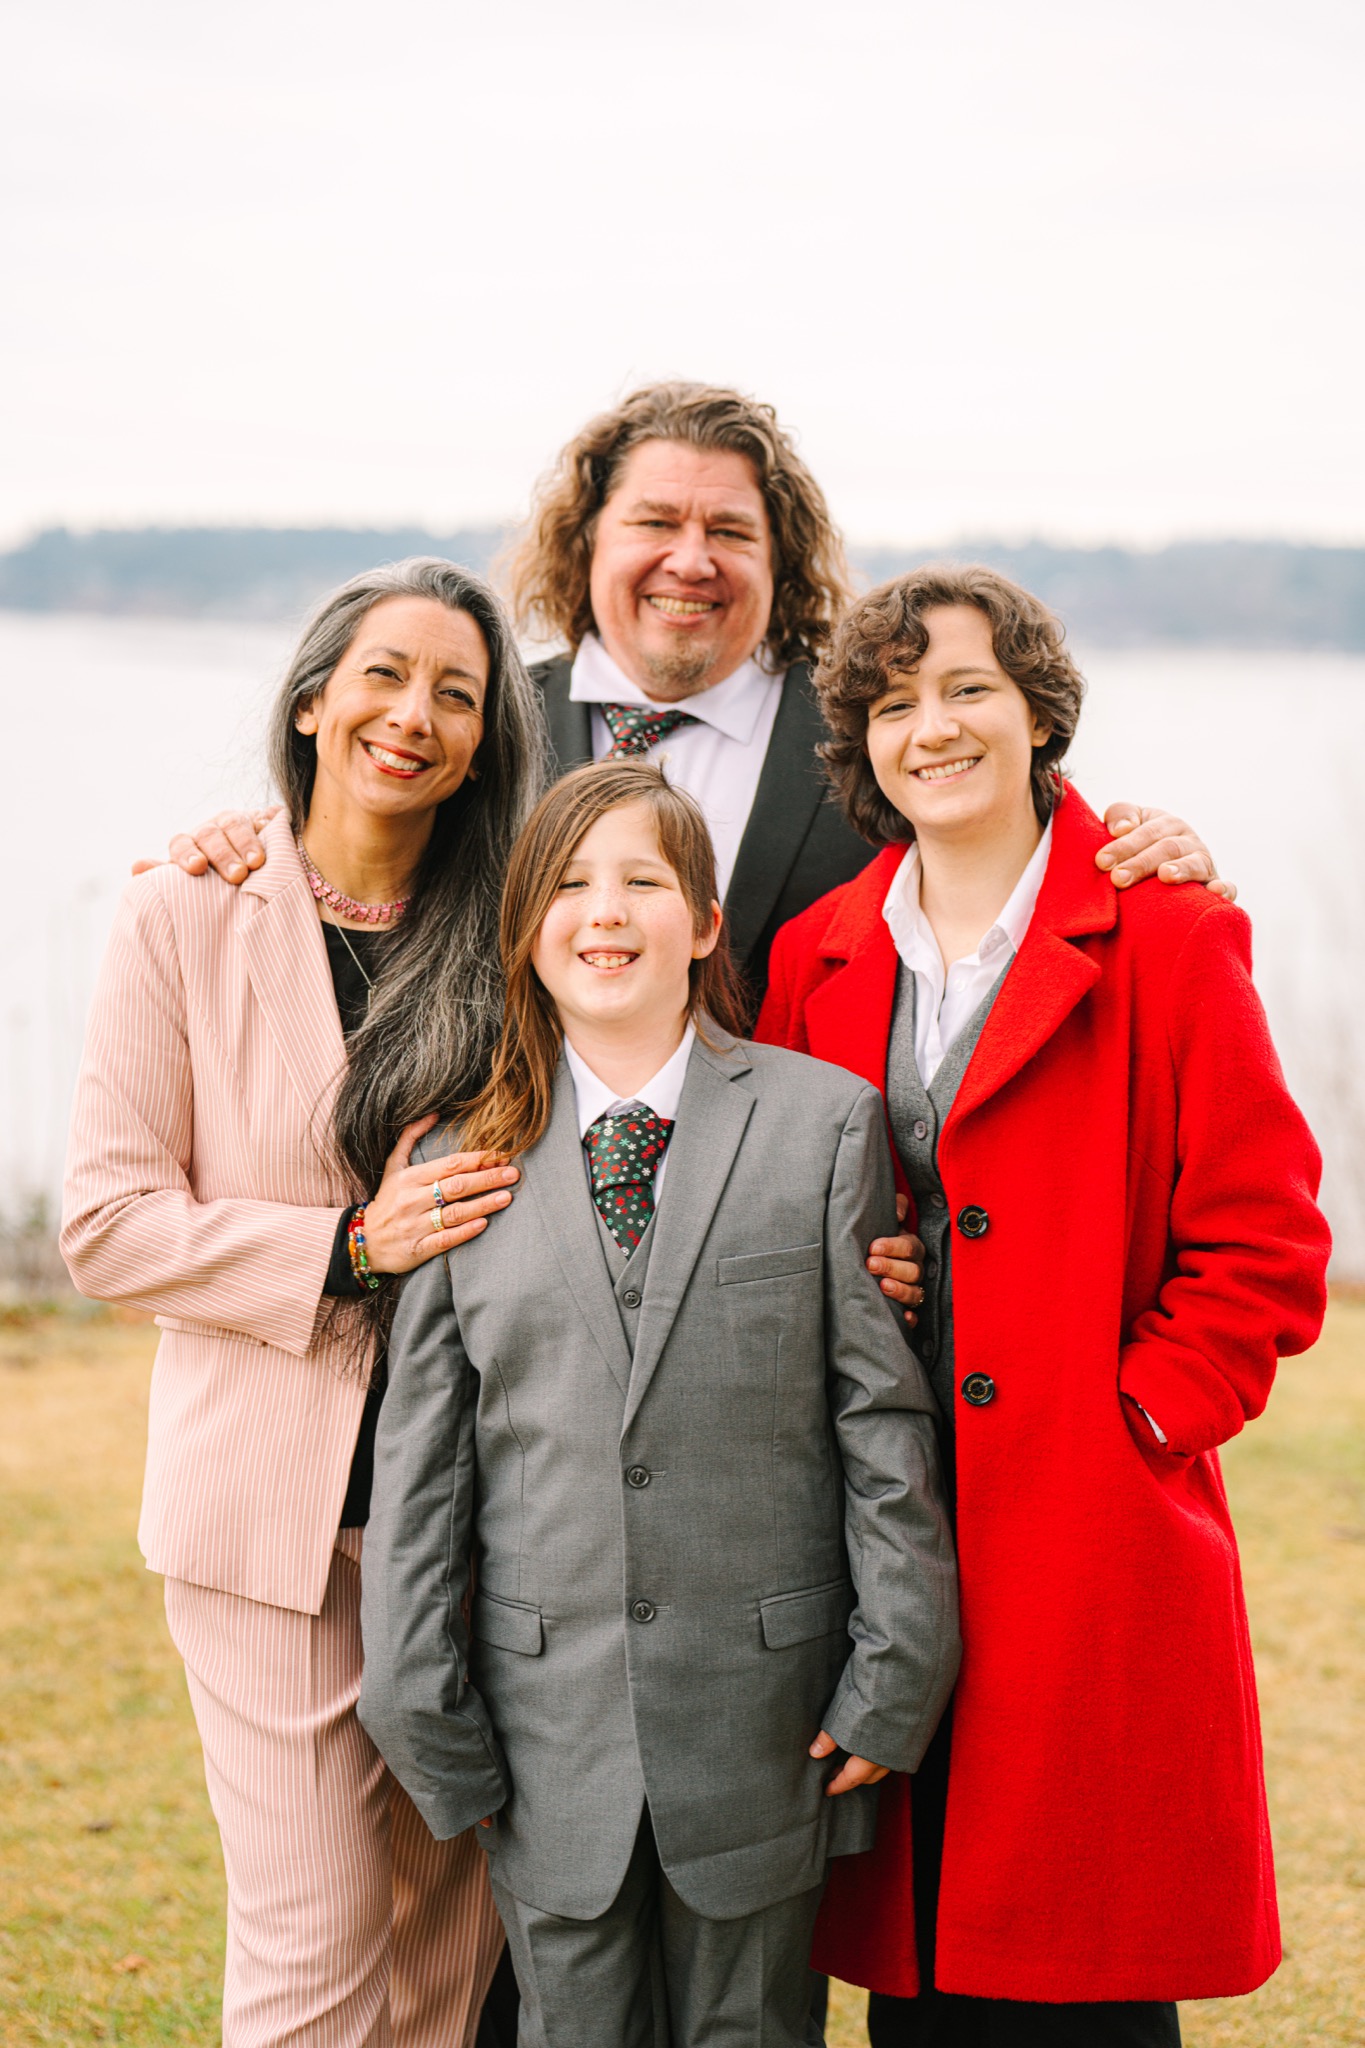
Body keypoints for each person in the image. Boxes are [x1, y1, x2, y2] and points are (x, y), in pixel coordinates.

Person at [756, 564, 1331, 2046]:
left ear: (1038, 715)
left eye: (969, 689)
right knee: (915, 1964)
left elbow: (1264, 1238)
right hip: (881, 1515)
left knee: (1085, 1968)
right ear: (861, 744)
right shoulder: (815, 954)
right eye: (895, 703)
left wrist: (1142, 1414)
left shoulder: (1168, 930)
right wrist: (863, 1264)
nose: (932, 728)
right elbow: (779, 1213)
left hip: (1091, 1527)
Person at [357, 759, 962, 2048]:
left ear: (703, 924)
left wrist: (897, 1669)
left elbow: (880, 1427)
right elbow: (423, 1475)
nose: (606, 912)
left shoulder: (823, 1125)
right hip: (544, 1737)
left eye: (643, 881)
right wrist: (418, 1706)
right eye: (570, 884)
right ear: (526, 930)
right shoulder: (456, 1163)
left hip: (769, 1720)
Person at [61, 560, 549, 2048]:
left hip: (479, 1511)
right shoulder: (182, 912)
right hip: (271, 1515)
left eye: (456, 693)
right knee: (316, 1936)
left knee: (448, 1947)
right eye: (384, 675)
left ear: (485, 740)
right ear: (313, 700)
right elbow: (106, 1226)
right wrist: (351, 1247)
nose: (413, 715)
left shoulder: (517, 929)